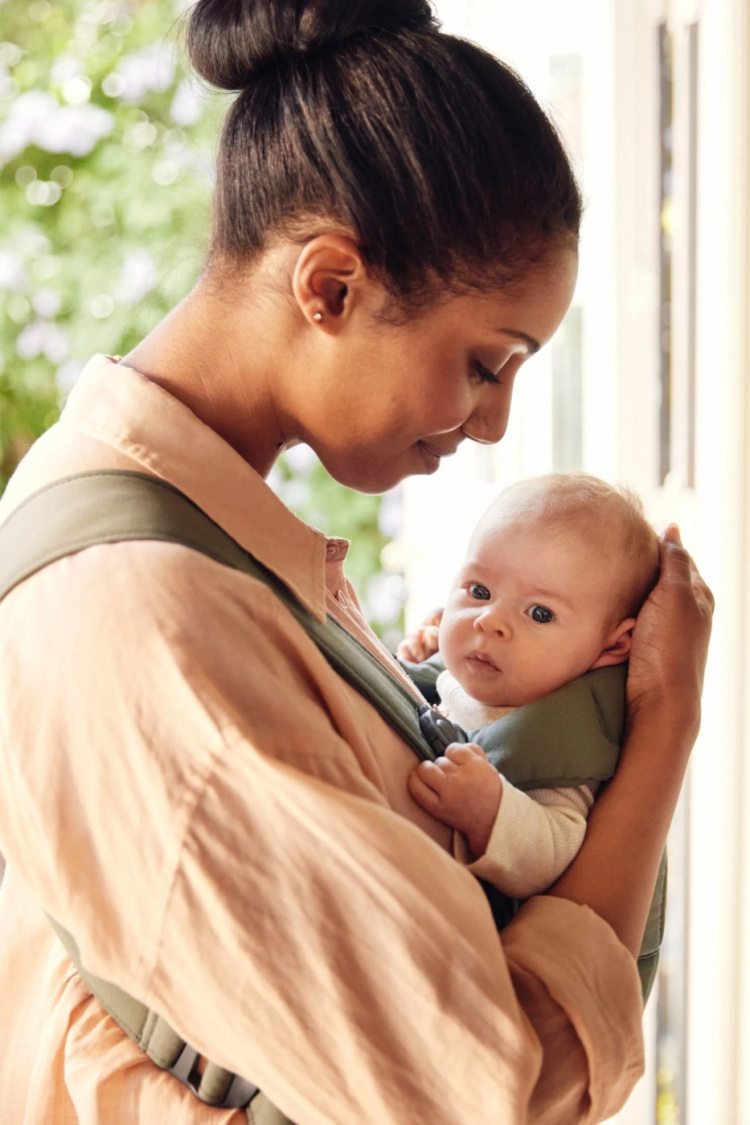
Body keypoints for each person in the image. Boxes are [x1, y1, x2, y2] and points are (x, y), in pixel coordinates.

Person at [0, 2, 713, 1124]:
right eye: (486, 364)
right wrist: (664, 726)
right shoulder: (151, 616)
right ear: (330, 287)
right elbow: (486, 1091)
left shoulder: (210, 535)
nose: (492, 426)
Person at [401, 473, 659, 898]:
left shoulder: (562, 740)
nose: (490, 621)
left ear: (613, 645)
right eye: (479, 590)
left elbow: (556, 849)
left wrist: (490, 810)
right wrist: (421, 664)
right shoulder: (497, 678)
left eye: (539, 614)